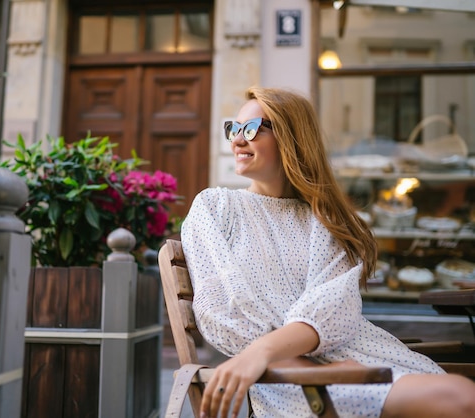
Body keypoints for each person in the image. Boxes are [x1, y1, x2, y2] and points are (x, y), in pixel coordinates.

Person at [180, 86, 475, 418]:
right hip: (292, 378)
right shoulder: (216, 207)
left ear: (290, 138)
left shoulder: (324, 219)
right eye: (233, 129)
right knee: (461, 397)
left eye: (250, 129)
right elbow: (219, 309)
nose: (236, 140)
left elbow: (334, 308)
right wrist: (272, 358)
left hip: (356, 358)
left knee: (464, 396)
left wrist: (265, 352)